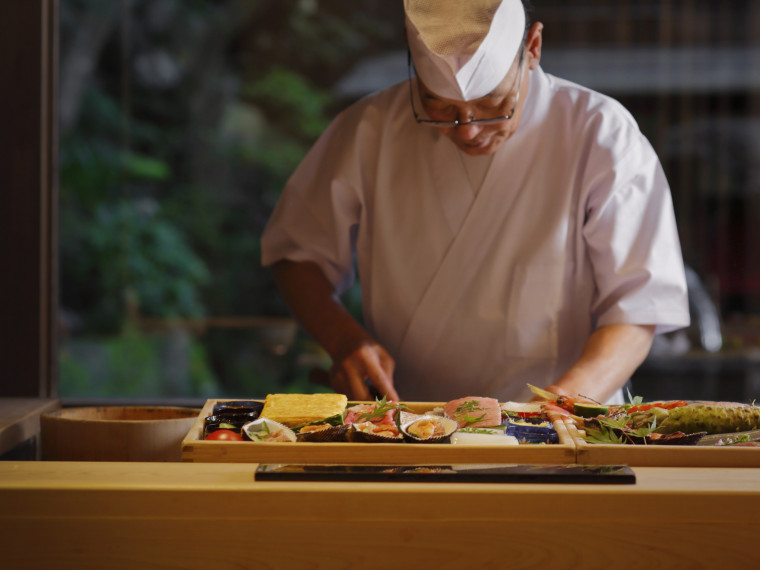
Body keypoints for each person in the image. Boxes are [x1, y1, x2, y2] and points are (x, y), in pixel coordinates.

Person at [261, 0, 690, 404]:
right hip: (410, 421)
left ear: (533, 48)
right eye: (439, 107)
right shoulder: (371, 129)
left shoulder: (599, 132)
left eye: (493, 106)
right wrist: (345, 341)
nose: (466, 131)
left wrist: (562, 405)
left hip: (563, 427)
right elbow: (298, 254)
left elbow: (639, 306)